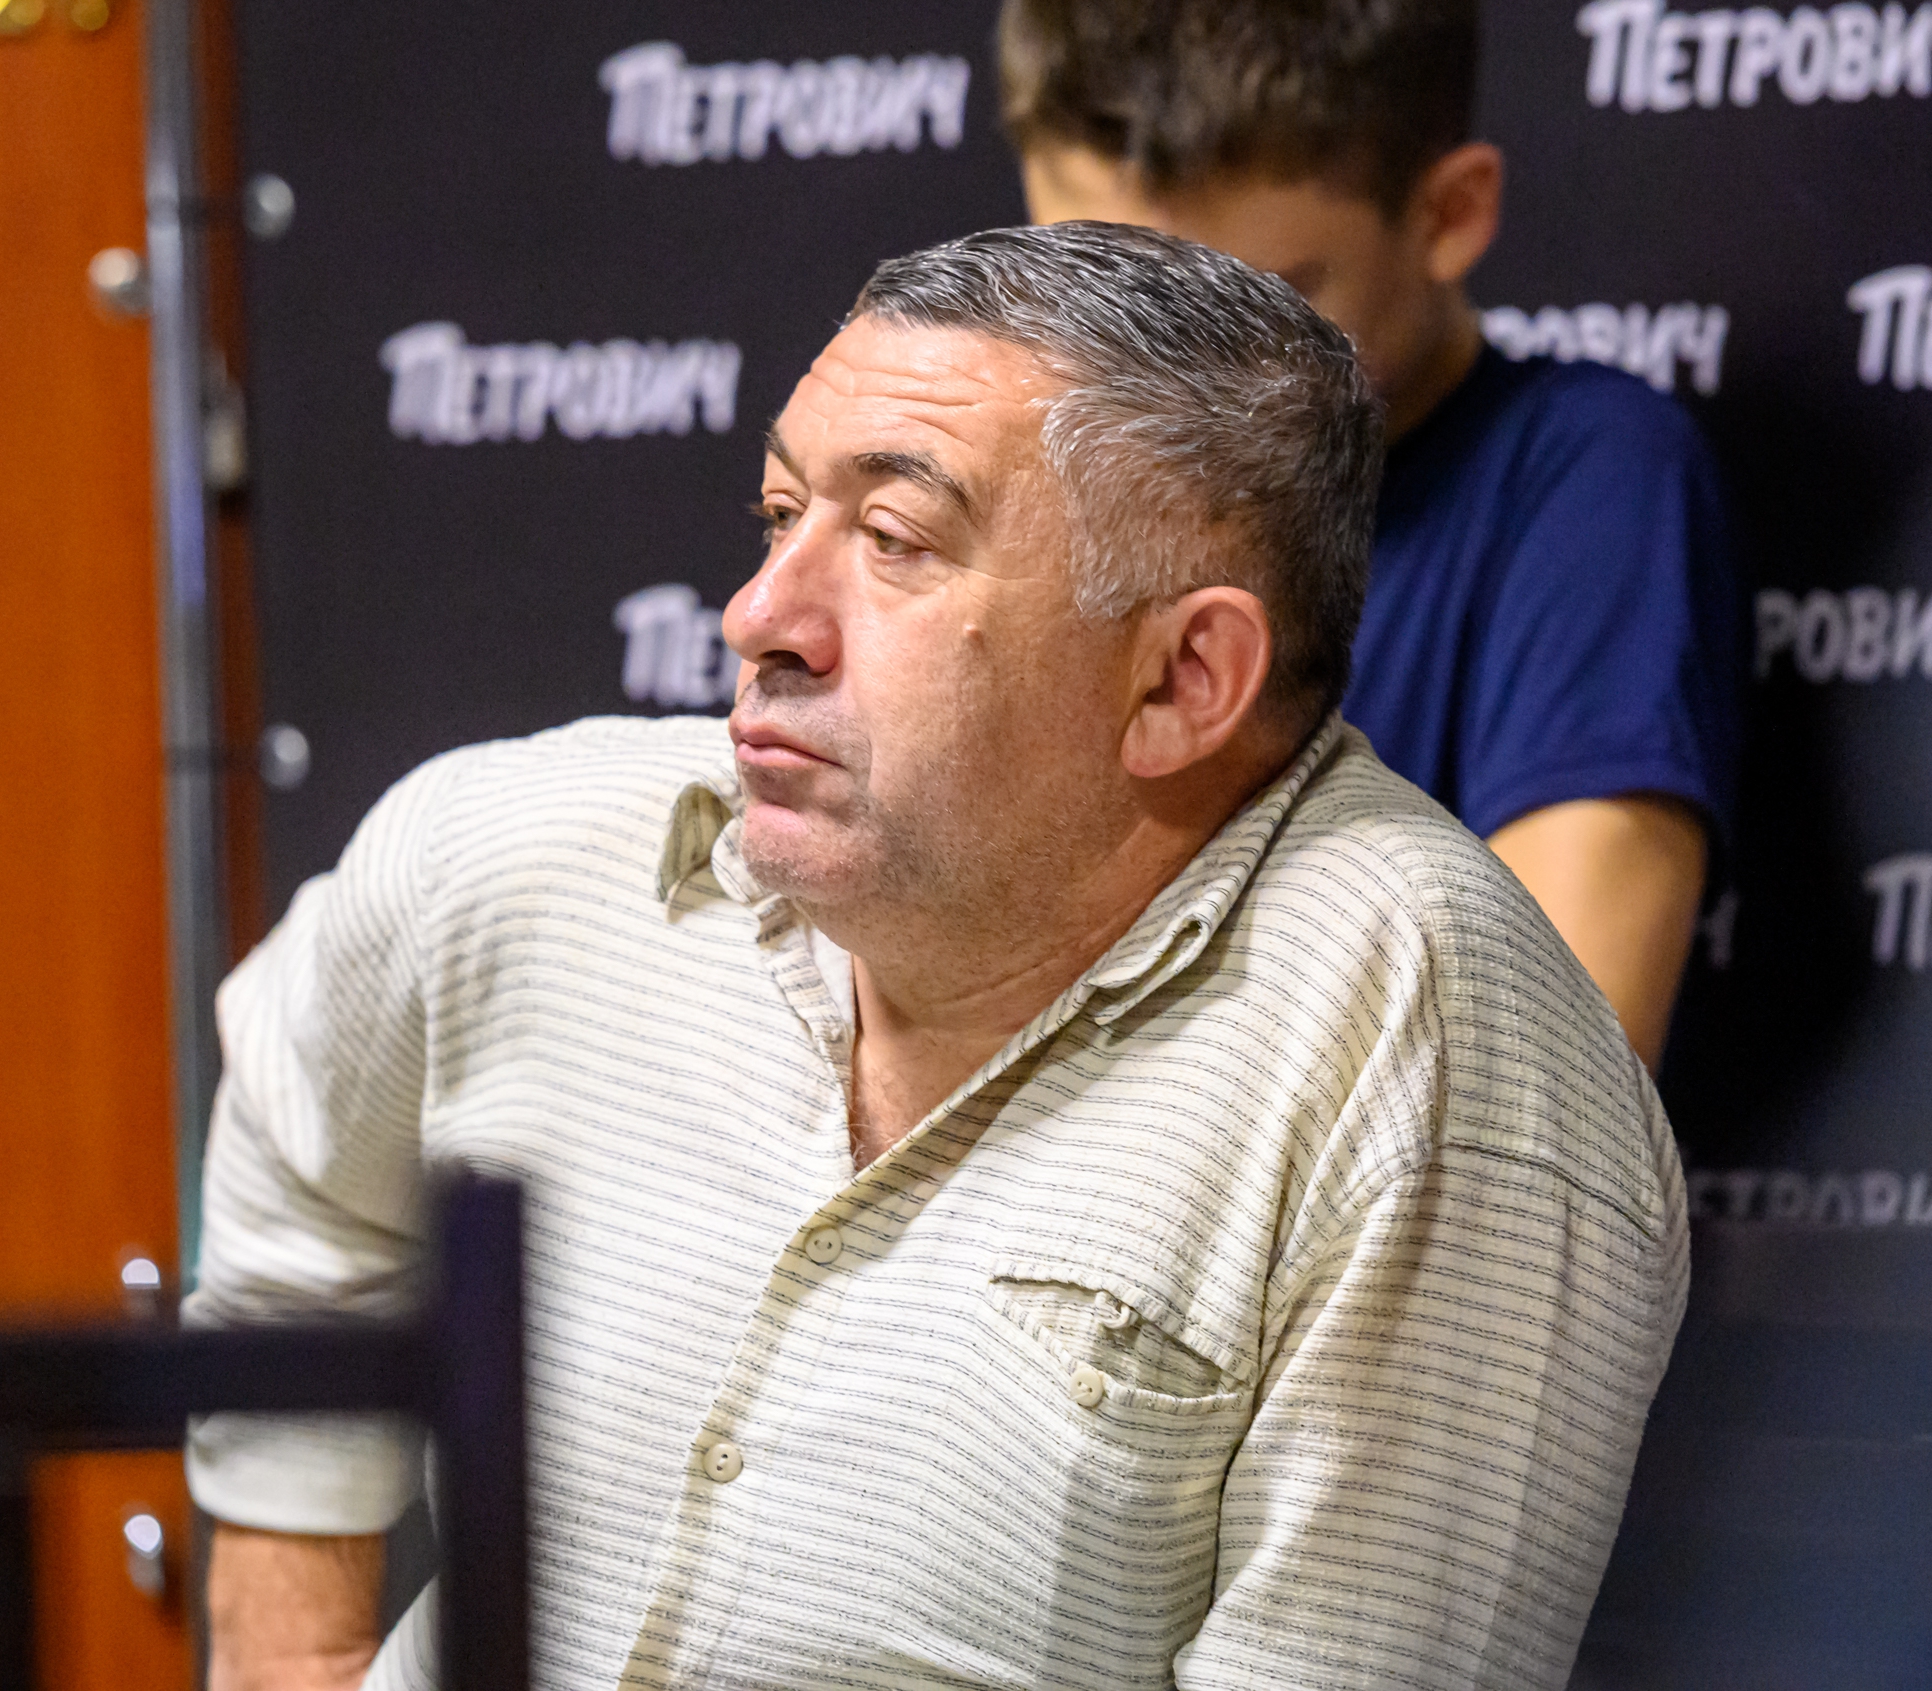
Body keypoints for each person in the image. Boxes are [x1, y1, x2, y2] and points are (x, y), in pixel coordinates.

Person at [190, 224, 1687, 1691]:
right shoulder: (515, 849)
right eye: (782, 513)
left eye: (894, 540)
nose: (758, 616)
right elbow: (300, 1159)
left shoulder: (1438, 1068)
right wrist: (289, 1642)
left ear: (1183, 677)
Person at [1000, 0, 1742, 1069]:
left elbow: (1548, 1082)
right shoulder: (1003, 482)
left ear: (1449, 213)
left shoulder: (1587, 477)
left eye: (1254, 312)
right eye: (1092, 293)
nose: (1153, 384)